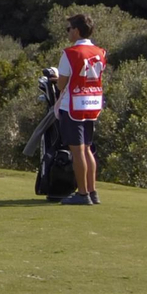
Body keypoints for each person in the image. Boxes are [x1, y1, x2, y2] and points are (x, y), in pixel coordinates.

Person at [52, 13, 106, 206]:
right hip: (92, 103)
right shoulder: (100, 52)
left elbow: (61, 85)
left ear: (76, 30)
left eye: (69, 29)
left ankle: (82, 194)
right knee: (88, 149)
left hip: (73, 105)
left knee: (78, 151)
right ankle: (92, 191)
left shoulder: (70, 53)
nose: (68, 33)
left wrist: (57, 80)